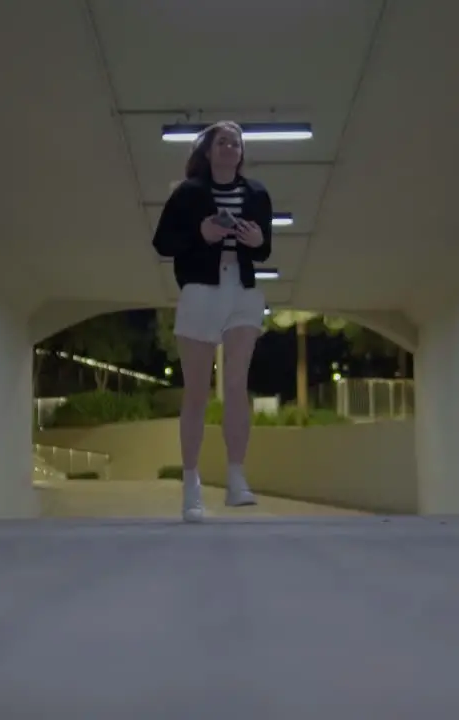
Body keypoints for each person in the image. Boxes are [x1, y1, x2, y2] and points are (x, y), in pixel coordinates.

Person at [152, 121, 273, 522]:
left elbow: (264, 248)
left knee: (237, 384)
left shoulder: (256, 193)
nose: (229, 147)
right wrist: (200, 233)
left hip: (242, 289)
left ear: (241, 153)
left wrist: (256, 242)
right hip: (201, 289)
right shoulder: (188, 193)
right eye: (221, 142)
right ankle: (192, 484)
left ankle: (237, 478)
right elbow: (163, 243)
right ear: (207, 151)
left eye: (235, 143)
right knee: (197, 391)